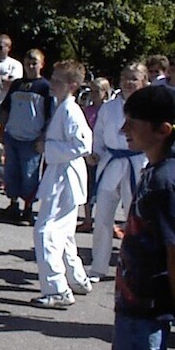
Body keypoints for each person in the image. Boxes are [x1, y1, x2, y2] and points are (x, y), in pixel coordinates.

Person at [81, 85, 175, 350]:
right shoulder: (153, 169)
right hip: (131, 300)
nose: (123, 130)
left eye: (133, 124)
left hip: (148, 305)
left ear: (164, 129)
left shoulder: (168, 181)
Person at [31, 61, 94, 308]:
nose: (52, 84)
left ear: (73, 86)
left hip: (65, 177)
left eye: (58, 81)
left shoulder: (71, 110)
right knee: (65, 232)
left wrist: (47, 148)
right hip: (61, 173)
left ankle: (57, 289)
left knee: (45, 231)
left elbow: (83, 145)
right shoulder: (62, 107)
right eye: (52, 79)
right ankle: (78, 279)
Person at [87, 63, 150, 283]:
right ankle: (98, 267)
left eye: (134, 78)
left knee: (136, 220)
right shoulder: (109, 107)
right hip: (111, 163)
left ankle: (135, 267)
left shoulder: (149, 106)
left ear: (143, 81)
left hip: (137, 163)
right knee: (103, 217)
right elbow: (99, 134)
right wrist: (96, 152)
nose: (128, 82)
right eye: (125, 78)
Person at [0, 49, 53, 225]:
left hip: (31, 139)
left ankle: (28, 209)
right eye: (27, 62)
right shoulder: (17, 84)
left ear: (42, 64)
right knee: (11, 172)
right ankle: (13, 205)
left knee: (30, 174)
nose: (30, 66)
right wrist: (2, 130)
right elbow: (6, 108)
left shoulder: (45, 87)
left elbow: (50, 115)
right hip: (13, 135)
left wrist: (43, 137)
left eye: (34, 62)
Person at [76, 77, 113, 233]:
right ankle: (88, 218)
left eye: (97, 91)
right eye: (92, 91)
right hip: (89, 154)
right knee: (89, 186)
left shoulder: (109, 110)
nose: (94, 94)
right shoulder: (86, 111)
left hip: (106, 154)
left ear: (105, 93)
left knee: (107, 190)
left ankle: (106, 221)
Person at [0, 34, 23, 105]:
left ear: (8, 48)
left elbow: (15, 83)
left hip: (6, 104)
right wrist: (4, 78)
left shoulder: (15, 64)